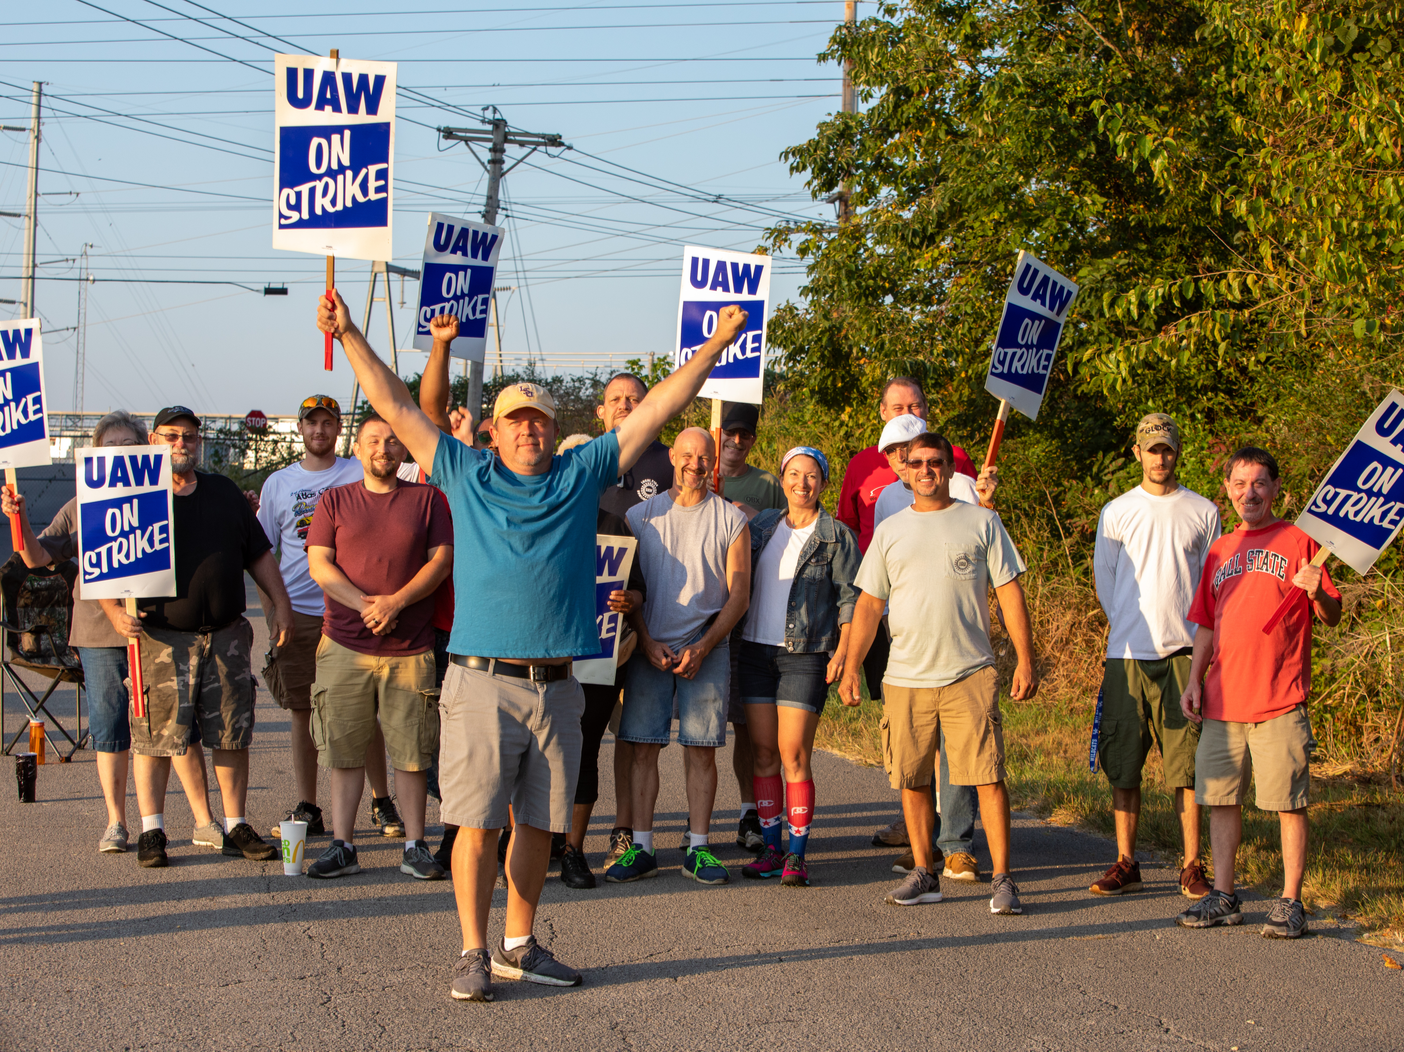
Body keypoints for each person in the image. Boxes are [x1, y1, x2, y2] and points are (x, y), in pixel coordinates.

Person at [317, 288, 750, 1001]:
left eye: (539, 422)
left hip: (559, 684)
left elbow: (659, 410)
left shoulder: (583, 475)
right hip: (482, 682)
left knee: (541, 828)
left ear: (554, 430)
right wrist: (352, 333)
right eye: (515, 421)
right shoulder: (464, 471)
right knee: (479, 824)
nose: (528, 432)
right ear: (493, 430)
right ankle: (472, 950)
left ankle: (519, 942)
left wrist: (712, 347)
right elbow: (395, 406)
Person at [840, 432, 1038, 914]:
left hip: (969, 672)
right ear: (904, 471)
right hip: (905, 675)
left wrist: (1026, 658)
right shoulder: (890, 531)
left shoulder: (982, 522)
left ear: (951, 470)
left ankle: (1004, 879)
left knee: (987, 776)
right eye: (917, 463)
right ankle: (925, 873)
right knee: (911, 778)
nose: (926, 470)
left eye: (936, 462)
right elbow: (869, 604)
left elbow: (1009, 593)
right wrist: (849, 666)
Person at [2, 411, 213, 858]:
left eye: (127, 446)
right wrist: (17, 519)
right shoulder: (80, 503)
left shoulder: (164, 497)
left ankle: (203, 820)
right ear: (96, 454)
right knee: (111, 727)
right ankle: (117, 822)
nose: (119, 454)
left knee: (177, 725)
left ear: (143, 451)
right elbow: (37, 556)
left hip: (158, 628)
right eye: (110, 447)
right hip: (99, 632)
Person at [101, 406, 293, 868]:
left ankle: (235, 824)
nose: (181, 443)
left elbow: (260, 554)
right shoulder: (129, 498)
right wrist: (112, 612)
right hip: (162, 640)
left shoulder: (224, 492)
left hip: (225, 637)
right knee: (155, 738)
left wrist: (281, 605)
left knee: (231, 736)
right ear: (153, 439)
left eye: (189, 436)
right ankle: (153, 830)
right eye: (171, 435)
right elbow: (101, 566)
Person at [1175, 447, 1340, 939]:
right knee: (1221, 799)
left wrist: (1318, 591)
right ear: (1227, 490)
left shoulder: (1300, 541)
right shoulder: (1220, 550)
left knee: (1288, 802)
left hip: (1279, 699)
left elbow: (1331, 615)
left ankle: (1291, 901)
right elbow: (1206, 624)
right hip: (1224, 700)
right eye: (1241, 484)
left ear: (1275, 490)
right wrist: (1193, 680)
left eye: (1260, 484)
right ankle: (1224, 897)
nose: (1250, 493)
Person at [302, 413, 454, 881]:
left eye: (392, 441)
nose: (382, 449)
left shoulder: (429, 500)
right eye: (372, 441)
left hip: (411, 647)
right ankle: (343, 845)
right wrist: (366, 605)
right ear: (358, 449)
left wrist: (397, 602)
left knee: (412, 752)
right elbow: (320, 564)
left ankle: (415, 845)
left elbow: (441, 562)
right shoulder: (334, 500)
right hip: (343, 644)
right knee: (344, 749)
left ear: (404, 449)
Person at [605, 427, 750, 887]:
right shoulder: (640, 516)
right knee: (643, 749)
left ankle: (699, 846)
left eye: (703, 456)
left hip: (708, 650)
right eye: (686, 455)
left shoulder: (732, 521)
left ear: (714, 461)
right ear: (672, 456)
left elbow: (739, 594)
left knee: (701, 751)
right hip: (650, 650)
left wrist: (705, 645)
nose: (695, 463)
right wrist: (645, 640)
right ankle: (643, 845)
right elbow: (632, 592)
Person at [257, 395, 403, 843]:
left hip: (354, 610)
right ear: (300, 429)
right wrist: (275, 610)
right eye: (311, 423)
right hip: (300, 613)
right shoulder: (278, 484)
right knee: (302, 712)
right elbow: (262, 554)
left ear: (341, 431)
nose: (319, 430)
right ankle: (309, 803)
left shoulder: (357, 469)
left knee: (367, 712)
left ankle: (381, 801)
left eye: (328, 423)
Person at [1090, 414, 1220, 899]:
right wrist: (1128, 626)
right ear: (1137, 454)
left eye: (1167, 449)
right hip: (1126, 653)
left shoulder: (1203, 511)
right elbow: (1107, 581)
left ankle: (1191, 864)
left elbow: (1212, 585)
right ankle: (1126, 861)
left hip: (1184, 653)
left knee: (1185, 766)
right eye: (1151, 450)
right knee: (1123, 762)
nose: (1159, 458)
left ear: (1176, 453)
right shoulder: (1117, 511)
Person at [871, 413, 995, 882]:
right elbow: (887, 569)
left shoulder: (963, 487)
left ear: (941, 461)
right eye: (901, 455)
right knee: (918, 756)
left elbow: (982, 543)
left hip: (960, 648)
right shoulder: (887, 501)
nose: (912, 463)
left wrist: (986, 501)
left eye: (923, 456)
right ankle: (925, 850)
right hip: (906, 644)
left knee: (959, 754)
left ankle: (957, 843)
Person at [736, 446, 859, 887]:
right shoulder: (762, 526)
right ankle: (771, 847)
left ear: (823, 484)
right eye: (793, 474)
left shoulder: (837, 536)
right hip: (754, 651)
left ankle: (797, 854)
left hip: (803, 655)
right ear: (782, 478)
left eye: (811, 476)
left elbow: (851, 599)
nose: (801, 483)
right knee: (764, 753)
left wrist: (846, 654)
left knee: (794, 755)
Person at [554, 432, 647, 890]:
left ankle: (572, 848)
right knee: (531, 752)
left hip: (596, 660)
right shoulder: (541, 516)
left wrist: (629, 599)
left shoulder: (615, 522)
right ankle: (526, 839)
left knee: (585, 749)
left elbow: (639, 588)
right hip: (541, 655)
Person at [593, 372, 676, 867]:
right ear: (601, 412)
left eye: (635, 399)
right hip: (589, 629)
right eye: (616, 400)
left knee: (633, 734)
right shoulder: (583, 462)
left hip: (646, 621)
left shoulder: (669, 462)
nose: (626, 405)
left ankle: (623, 829)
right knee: (572, 733)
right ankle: (561, 833)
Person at [717, 401, 784, 511]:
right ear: (715, 433)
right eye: (730, 431)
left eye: (744, 434)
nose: (737, 440)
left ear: (753, 440)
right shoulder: (699, 477)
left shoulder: (769, 485)